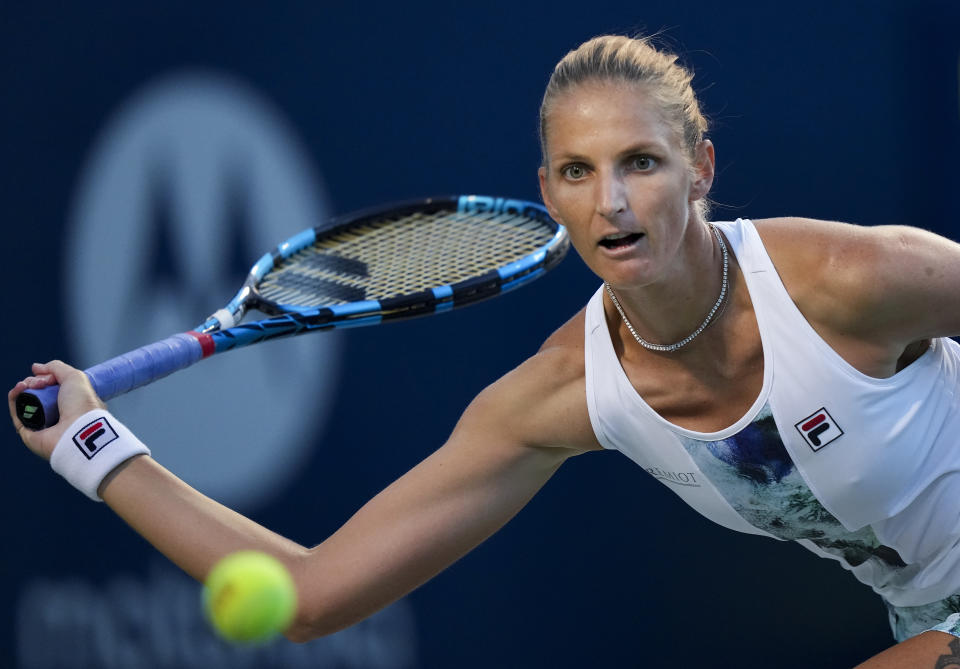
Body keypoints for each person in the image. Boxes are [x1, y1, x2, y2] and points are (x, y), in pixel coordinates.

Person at [10, 34, 960, 668]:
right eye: (580, 173)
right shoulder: (564, 393)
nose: (613, 205)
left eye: (642, 162)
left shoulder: (851, 277)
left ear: (700, 166)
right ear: (547, 192)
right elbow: (309, 596)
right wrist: (96, 447)